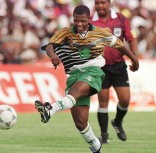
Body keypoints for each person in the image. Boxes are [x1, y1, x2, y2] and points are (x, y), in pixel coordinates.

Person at [34, 5, 139, 153]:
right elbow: (50, 46)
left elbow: (120, 46)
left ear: (88, 19)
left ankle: (50, 110)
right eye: (76, 20)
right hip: (74, 75)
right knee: (80, 123)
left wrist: (134, 59)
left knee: (75, 94)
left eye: (82, 21)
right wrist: (53, 56)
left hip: (93, 71)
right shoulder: (65, 32)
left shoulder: (101, 33)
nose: (79, 24)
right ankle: (96, 147)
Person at [90, 0, 138, 143]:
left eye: (103, 2)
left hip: (118, 66)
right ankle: (104, 137)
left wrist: (134, 57)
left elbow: (131, 38)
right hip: (100, 67)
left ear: (109, 3)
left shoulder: (121, 18)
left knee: (125, 100)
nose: (100, 6)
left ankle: (117, 122)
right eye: (97, 3)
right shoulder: (90, 20)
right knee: (103, 101)